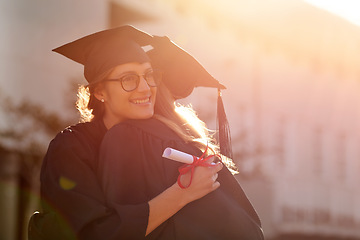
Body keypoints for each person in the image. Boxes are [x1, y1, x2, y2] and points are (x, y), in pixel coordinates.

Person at [29, 25, 264, 240]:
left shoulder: (160, 145)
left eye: (149, 75)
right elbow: (92, 234)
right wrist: (182, 193)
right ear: (100, 92)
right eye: (128, 79)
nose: (145, 88)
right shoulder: (72, 148)